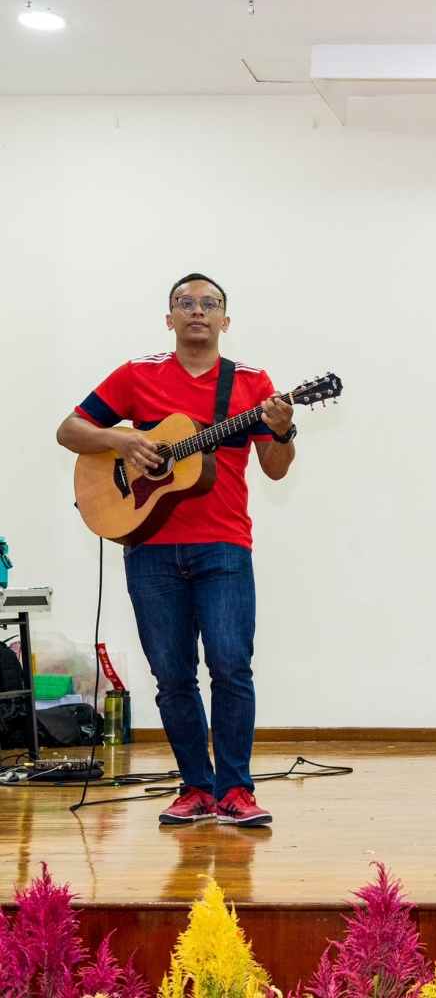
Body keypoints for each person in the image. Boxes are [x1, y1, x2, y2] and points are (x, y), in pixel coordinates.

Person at [56, 273, 297, 827]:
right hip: (149, 547)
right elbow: (70, 430)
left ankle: (235, 789)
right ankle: (195, 786)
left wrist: (282, 432)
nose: (197, 311)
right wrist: (124, 439)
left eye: (209, 304)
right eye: (185, 303)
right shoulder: (138, 375)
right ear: (169, 319)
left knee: (232, 667)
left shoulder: (252, 383)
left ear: (225, 322)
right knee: (172, 675)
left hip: (225, 545)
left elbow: (276, 472)